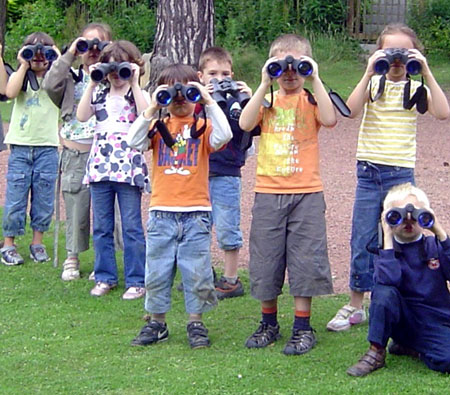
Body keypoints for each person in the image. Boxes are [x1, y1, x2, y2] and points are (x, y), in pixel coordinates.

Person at [327, 23, 450, 332]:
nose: (396, 62)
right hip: (369, 171)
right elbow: (350, 111)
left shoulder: (417, 89)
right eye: (389, 53)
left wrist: (425, 71)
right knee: (363, 238)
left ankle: (407, 297)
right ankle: (356, 303)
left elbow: (443, 112)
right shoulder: (374, 84)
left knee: (406, 234)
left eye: (404, 53)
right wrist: (370, 71)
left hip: (401, 173)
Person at [238, 33, 336, 355]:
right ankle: (268, 322)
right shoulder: (266, 101)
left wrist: (315, 77)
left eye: (298, 64)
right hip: (268, 192)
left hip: (306, 192)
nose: (290, 72)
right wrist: (264, 82)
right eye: (282, 65)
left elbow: (331, 118)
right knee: (266, 259)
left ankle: (302, 326)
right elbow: (244, 122)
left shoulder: (310, 100)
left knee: (305, 259)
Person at [126, 64, 232, 348]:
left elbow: (225, 135)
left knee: (196, 271)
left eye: (186, 91)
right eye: (172, 93)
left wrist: (207, 101)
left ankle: (195, 322)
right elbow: (133, 142)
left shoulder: (203, 126)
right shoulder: (158, 128)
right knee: (157, 271)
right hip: (161, 212)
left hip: (196, 212)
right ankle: (156, 322)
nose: (180, 98)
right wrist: (151, 108)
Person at [346, 183, 450, 377]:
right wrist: (387, 237)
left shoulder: (434, 246)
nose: (408, 221)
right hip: (400, 319)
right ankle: (376, 351)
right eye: (398, 215)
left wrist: (438, 230)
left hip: (433, 321)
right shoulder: (384, 251)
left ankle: (411, 347)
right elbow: (389, 280)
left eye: (415, 216)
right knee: (383, 290)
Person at [76, 40, 149, 299]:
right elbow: (82, 116)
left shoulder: (137, 95)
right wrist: (92, 82)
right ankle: (105, 276)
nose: (116, 77)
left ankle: (136, 280)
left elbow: (145, 115)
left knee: (131, 227)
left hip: (128, 168)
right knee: (102, 227)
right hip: (100, 168)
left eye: (122, 70)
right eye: (112, 70)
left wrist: (135, 83)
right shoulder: (99, 93)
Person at [43, 23, 112, 281]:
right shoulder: (69, 79)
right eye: (86, 44)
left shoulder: (113, 77)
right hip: (76, 153)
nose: (92, 50)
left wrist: (110, 62)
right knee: (76, 206)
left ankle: (103, 261)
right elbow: (49, 83)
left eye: (99, 44)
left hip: (106, 154)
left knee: (105, 211)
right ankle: (72, 256)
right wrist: (70, 53)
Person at [197, 46, 257, 299]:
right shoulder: (195, 101)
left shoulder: (236, 101)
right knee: (197, 227)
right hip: (198, 173)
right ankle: (202, 274)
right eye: (212, 74)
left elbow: (250, 130)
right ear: (201, 76)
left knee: (227, 227)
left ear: (233, 74)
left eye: (224, 73)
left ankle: (231, 279)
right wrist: (200, 99)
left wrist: (249, 99)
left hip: (227, 172)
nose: (219, 79)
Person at [0, 32, 61, 266]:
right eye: (32, 52)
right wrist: (24, 64)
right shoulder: (20, 76)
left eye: (43, 52)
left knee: (43, 198)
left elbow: (67, 78)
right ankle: (9, 244)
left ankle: (38, 242)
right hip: (21, 148)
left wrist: (56, 57)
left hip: (47, 147)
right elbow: (10, 93)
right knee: (15, 197)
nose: (38, 57)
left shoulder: (55, 79)